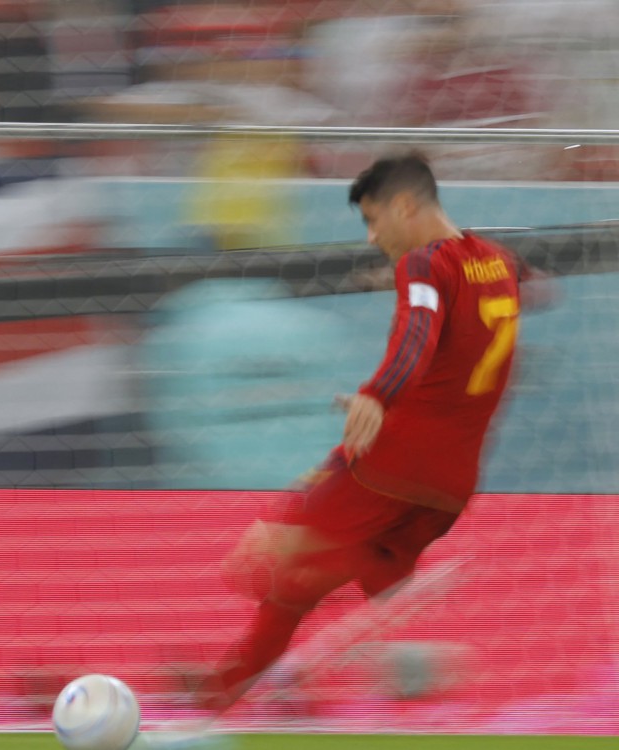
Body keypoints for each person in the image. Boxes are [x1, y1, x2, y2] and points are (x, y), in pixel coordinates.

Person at [199, 153, 526, 714]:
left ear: (405, 206)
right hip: (452, 484)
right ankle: (396, 653)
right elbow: (460, 324)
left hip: (391, 466)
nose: (373, 237)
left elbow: (417, 334)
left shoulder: (423, 266)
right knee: (345, 571)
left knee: (266, 565)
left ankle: (217, 697)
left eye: (375, 221)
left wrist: (379, 393)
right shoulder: (497, 261)